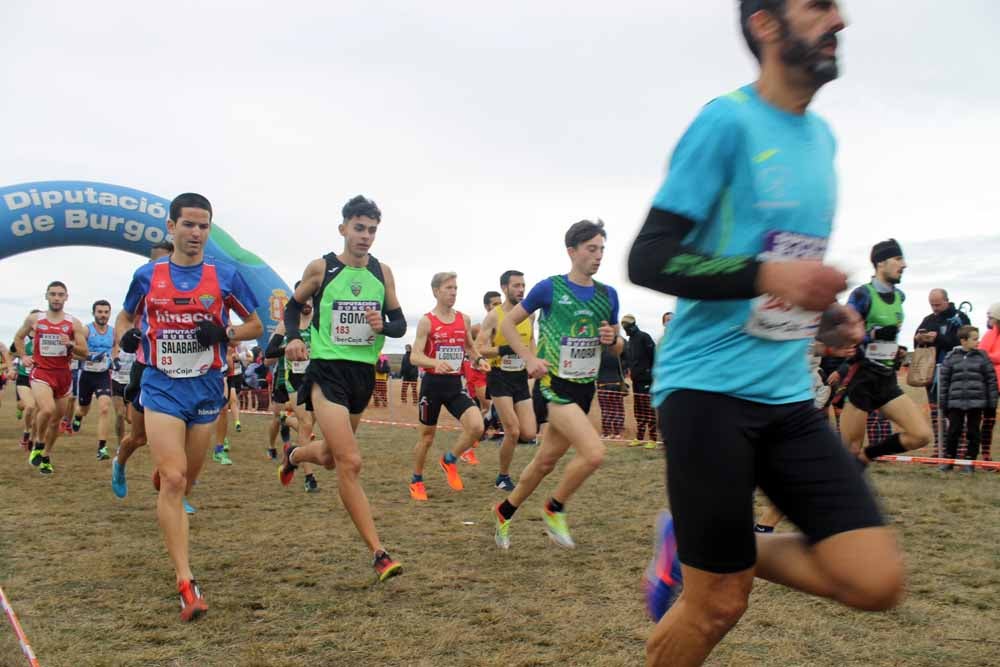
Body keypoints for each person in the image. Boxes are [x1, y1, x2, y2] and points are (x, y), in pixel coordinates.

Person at [628, 3, 904, 664]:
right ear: (767, 26)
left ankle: (695, 544)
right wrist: (765, 272)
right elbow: (651, 257)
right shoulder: (726, 122)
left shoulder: (823, 140)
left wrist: (822, 315)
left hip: (785, 396)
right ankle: (705, 556)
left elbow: (781, 275)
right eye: (818, 6)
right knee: (717, 602)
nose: (839, 20)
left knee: (877, 579)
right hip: (706, 390)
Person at [116, 192, 262, 620]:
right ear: (171, 227)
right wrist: (126, 335)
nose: (196, 233)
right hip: (161, 387)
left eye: (203, 226)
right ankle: (186, 582)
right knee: (175, 478)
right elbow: (128, 317)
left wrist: (223, 335)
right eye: (188, 225)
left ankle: (167, 491)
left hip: (205, 390)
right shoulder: (147, 275)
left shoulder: (226, 276)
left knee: (183, 484)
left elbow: (255, 324)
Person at [277, 194, 406, 582]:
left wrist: (385, 326)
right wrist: (295, 337)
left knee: (332, 457)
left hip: (362, 376)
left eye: (371, 230)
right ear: (343, 229)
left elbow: (399, 323)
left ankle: (295, 454)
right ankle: (379, 552)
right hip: (327, 371)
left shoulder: (382, 273)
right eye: (359, 228)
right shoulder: (322, 268)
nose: (365, 236)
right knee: (350, 462)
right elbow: (291, 306)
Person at [493, 219, 622, 550]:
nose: (598, 256)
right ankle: (555, 508)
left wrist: (613, 339)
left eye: (601, 250)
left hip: (584, 389)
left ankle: (504, 511)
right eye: (591, 249)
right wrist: (528, 358)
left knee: (544, 463)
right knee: (593, 454)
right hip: (554, 387)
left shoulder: (608, 295)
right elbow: (507, 323)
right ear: (572, 251)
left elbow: (618, 345)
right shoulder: (550, 288)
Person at [839, 240, 932, 464]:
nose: (904, 265)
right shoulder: (863, 295)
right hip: (862, 379)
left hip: (886, 380)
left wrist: (896, 350)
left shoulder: (900, 297)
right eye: (898, 259)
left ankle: (868, 455)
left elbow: (888, 340)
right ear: (881, 262)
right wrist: (873, 336)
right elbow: (845, 332)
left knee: (921, 435)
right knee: (848, 452)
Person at [406, 272, 488, 500]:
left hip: (454, 384)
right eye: (448, 288)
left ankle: (449, 459)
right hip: (432, 386)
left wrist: (479, 360)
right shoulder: (426, 321)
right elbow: (415, 356)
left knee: (476, 427)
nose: (453, 292)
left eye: (455, 288)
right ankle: (417, 480)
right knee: (427, 438)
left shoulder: (464, 319)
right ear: (436, 291)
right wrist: (434, 363)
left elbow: (471, 348)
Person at [110, 240, 174, 499]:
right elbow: (123, 318)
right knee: (138, 438)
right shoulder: (144, 285)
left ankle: (174, 491)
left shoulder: (189, 287)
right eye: (155, 261)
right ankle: (119, 464)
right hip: (145, 367)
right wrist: (127, 335)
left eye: (166, 261)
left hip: (180, 373)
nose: (160, 266)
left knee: (178, 438)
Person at [13, 282, 89, 475]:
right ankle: (38, 443)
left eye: (60, 295)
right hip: (41, 372)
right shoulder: (35, 319)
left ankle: (46, 455)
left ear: (66, 298)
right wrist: (23, 356)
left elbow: (85, 353)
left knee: (56, 421)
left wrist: (71, 344)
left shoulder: (73, 323)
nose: (56, 298)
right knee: (47, 409)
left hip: (63, 375)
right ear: (46, 296)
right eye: (53, 294)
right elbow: (18, 338)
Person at [476, 270, 538, 491]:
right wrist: (504, 349)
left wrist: (532, 360)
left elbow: (531, 339)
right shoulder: (494, 316)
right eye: (516, 286)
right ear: (504, 288)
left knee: (529, 433)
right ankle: (502, 477)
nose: (521, 290)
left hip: (520, 376)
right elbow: (480, 347)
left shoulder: (530, 315)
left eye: (523, 285)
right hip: (499, 375)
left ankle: (493, 413)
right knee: (512, 430)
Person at [265, 284, 320, 492]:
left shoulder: (319, 322)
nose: (306, 304)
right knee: (306, 424)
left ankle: (292, 454)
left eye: (310, 300)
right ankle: (309, 477)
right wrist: (288, 348)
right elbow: (269, 352)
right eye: (302, 299)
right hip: (295, 381)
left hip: (317, 380)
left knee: (311, 426)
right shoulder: (286, 324)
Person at [914, 288, 971, 449]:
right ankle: (940, 448)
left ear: (946, 300)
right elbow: (916, 341)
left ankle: (958, 448)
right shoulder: (928, 319)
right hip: (931, 373)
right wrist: (919, 338)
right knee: (935, 411)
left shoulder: (960, 318)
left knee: (955, 411)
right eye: (932, 305)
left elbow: (963, 344)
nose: (935, 308)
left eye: (938, 304)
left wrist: (938, 338)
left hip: (955, 371)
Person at [938, 326, 998, 472]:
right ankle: (949, 460)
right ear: (963, 340)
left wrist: (992, 403)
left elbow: (991, 380)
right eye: (974, 338)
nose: (978, 341)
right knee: (953, 431)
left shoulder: (983, 357)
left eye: (978, 338)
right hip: (955, 402)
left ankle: (969, 461)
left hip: (976, 402)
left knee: (973, 432)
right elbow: (944, 381)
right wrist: (943, 403)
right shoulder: (951, 357)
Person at [74, 300, 116, 460]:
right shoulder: (86, 330)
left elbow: (115, 350)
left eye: (106, 312)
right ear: (94, 313)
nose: (103, 315)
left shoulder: (113, 332)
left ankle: (102, 447)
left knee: (105, 408)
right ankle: (77, 416)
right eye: (100, 312)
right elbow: (74, 352)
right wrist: (90, 356)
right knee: (83, 409)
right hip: (87, 374)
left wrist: (114, 360)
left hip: (103, 375)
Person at [622, 314, 658, 446]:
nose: (625, 328)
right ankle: (640, 437)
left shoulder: (644, 336)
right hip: (636, 380)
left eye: (626, 325)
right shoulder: (630, 340)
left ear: (633, 324)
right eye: (623, 326)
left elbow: (653, 357)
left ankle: (653, 439)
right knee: (639, 408)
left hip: (647, 380)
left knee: (649, 408)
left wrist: (652, 374)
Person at [978, 303, 1000, 461]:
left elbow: (990, 356)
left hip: (993, 381)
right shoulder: (988, 334)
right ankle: (985, 453)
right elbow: (981, 354)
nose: (988, 320)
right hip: (989, 383)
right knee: (988, 420)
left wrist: (988, 356)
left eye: (990, 317)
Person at [596, 346, 627, 439]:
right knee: (617, 408)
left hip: (602, 384)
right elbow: (622, 369)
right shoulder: (617, 355)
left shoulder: (598, 354)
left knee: (606, 409)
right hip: (616, 383)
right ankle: (617, 432)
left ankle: (606, 433)